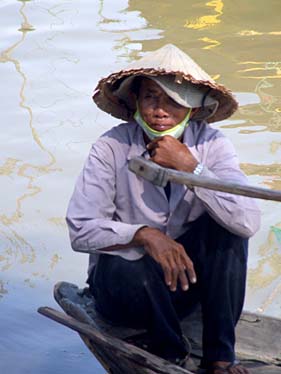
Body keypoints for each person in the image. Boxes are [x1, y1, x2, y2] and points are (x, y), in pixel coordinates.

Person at [66, 44, 261, 373]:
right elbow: (81, 229)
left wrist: (192, 170)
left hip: (184, 286)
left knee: (228, 231)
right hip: (126, 292)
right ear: (136, 102)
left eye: (174, 100)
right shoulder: (111, 147)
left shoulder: (213, 144)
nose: (160, 110)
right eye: (151, 97)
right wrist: (144, 236)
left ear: (193, 109)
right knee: (126, 264)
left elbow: (247, 221)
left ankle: (220, 358)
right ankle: (169, 353)